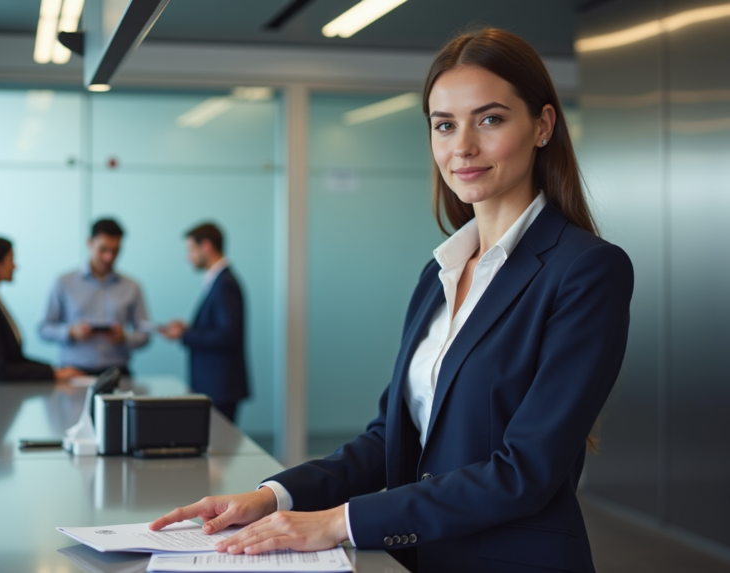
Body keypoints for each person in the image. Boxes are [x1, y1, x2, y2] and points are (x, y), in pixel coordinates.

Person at [148, 28, 635, 573]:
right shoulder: (440, 272)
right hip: (419, 559)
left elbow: (525, 470)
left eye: (490, 119)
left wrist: (339, 522)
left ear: (542, 125)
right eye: (444, 125)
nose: (463, 147)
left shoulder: (586, 270)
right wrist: (272, 497)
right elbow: (389, 440)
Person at [0, 237, 82, 416]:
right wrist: (52, 374)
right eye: (11, 260)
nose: (15, 266)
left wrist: (54, 371)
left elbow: (14, 359)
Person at [158, 222, 249, 423]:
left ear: (206, 246)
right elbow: (217, 328)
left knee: (219, 449)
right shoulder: (217, 280)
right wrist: (189, 329)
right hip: (215, 384)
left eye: (191, 249)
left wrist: (184, 334)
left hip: (220, 386)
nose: (188, 257)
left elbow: (227, 335)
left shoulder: (225, 284)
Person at [40, 218, 150, 375]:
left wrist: (124, 338)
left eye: (115, 251)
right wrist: (71, 332)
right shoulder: (64, 282)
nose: (109, 257)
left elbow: (144, 334)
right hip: (73, 372)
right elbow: (44, 329)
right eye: (103, 250)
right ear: (89, 243)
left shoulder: (132, 286)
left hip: (117, 372)